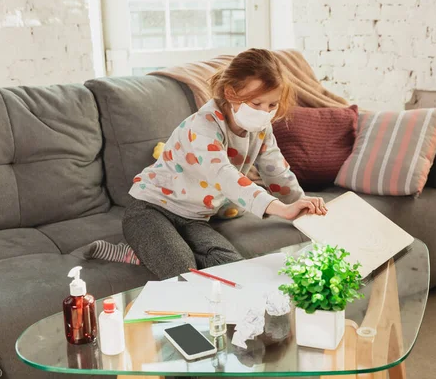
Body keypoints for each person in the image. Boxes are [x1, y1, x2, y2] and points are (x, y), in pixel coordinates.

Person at [122, 48, 328, 279]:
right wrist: (281, 210)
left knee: (233, 269)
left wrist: (301, 206)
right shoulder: (203, 125)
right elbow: (223, 175)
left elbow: (276, 171)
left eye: (272, 105)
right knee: (181, 270)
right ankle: (139, 250)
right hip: (150, 207)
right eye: (256, 103)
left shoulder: (261, 129)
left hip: (195, 217)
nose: (265, 113)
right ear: (231, 94)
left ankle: (150, 251)